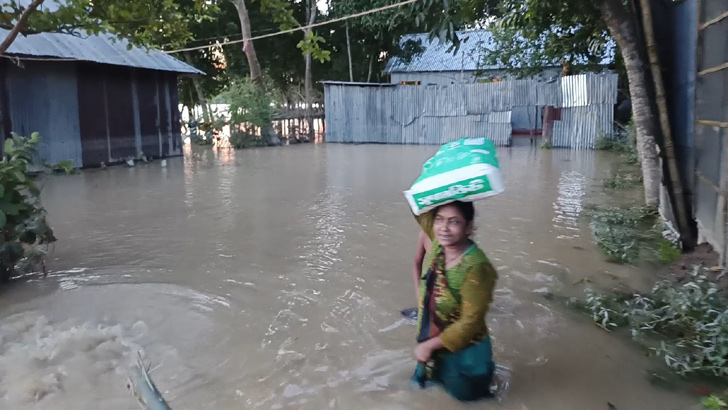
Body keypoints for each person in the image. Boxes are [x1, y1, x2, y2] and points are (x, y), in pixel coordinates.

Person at [411, 200, 498, 401]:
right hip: (432, 350)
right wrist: (440, 184)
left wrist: (430, 346)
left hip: (465, 362)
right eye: (439, 220)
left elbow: (471, 323)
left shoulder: (477, 268)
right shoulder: (438, 248)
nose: (444, 228)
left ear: (468, 227)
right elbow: (418, 206)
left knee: (468, 401)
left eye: (454, 222)